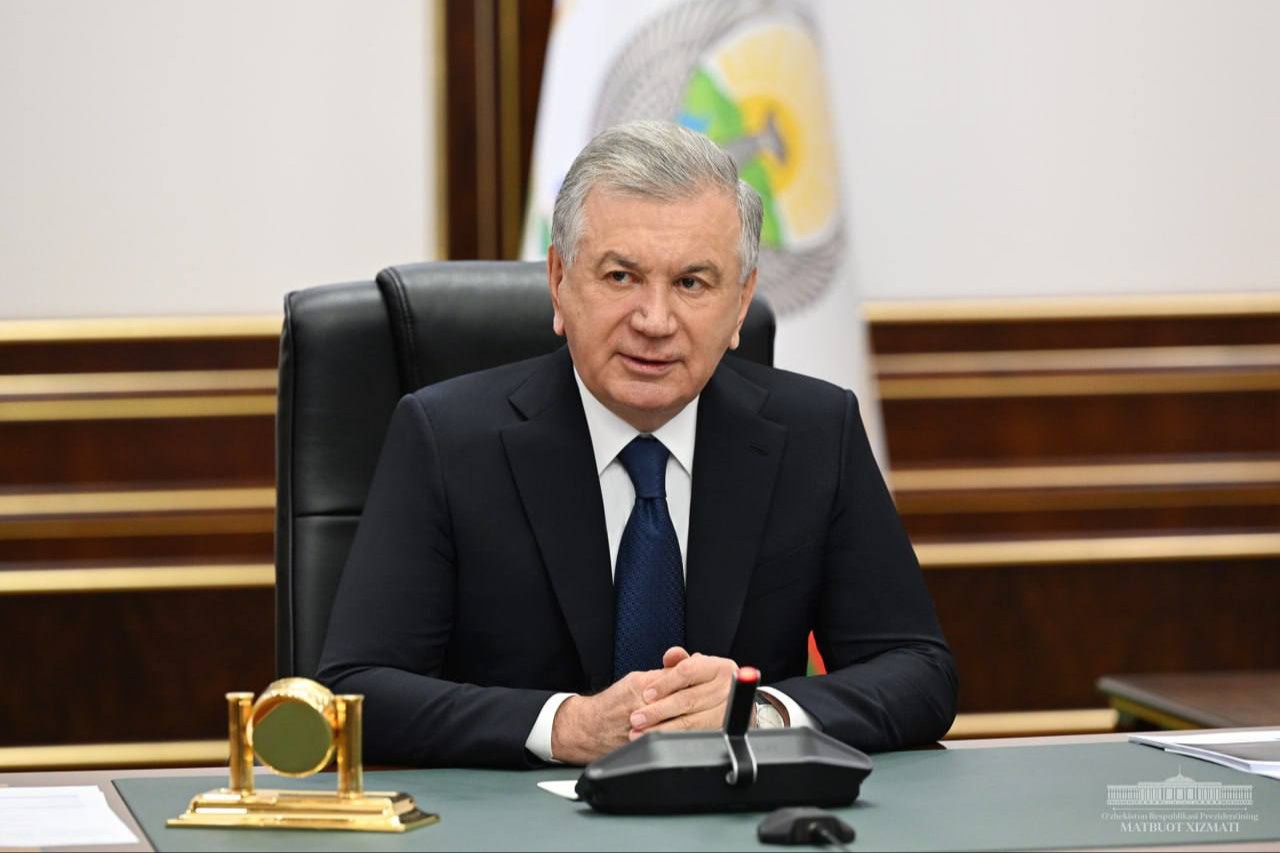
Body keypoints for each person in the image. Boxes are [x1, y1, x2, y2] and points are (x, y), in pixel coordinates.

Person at [317, 121, 957, 768]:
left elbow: (919, 672)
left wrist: (757, 712)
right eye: (621, 276)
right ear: (559, 281)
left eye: (692, 283)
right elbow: (356, 688)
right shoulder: (446, 439)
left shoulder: (816, 432)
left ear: (741, 304)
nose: (655, 320)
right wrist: (563, 725)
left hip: (742, 816)